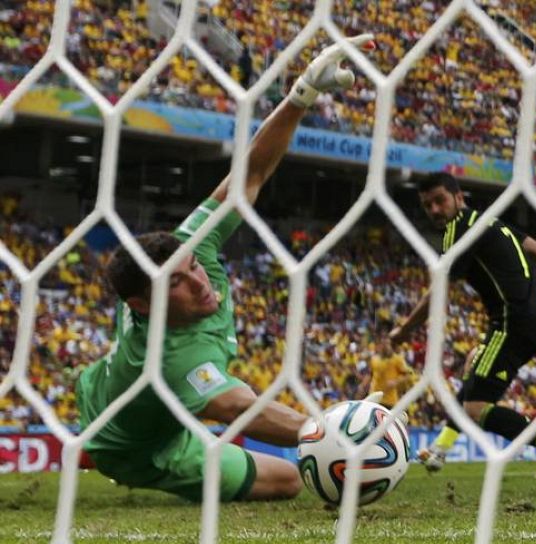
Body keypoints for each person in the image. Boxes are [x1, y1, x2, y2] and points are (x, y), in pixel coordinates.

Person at [76, 35, 377, 502]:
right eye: (177, 283)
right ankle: (102, 455)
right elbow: (240, 408)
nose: (200, 282)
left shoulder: (188, 246)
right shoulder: (172, 359)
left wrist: (301, 94)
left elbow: (250, 175)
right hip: (140, 450)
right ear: (143, 305)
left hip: (106, 392)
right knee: (287, 480)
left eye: (193, 266)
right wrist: (340, 432)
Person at [390, 172, 536, 478]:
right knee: (473, 366)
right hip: (534, 320)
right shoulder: (489, 221)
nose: (435, 210)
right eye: (428, 205)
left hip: (512, 322)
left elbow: (438, 292)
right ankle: (441, 447)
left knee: (476, 407)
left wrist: (404, 331)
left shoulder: (459, 230)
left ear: (458, 197)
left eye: (440, 200)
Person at [360, 338, 414, 409]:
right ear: (379, 346)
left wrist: (395, 381)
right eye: (384, 344)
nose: (387, 347)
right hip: (374, 397)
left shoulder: (397, 359)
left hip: (389, 400)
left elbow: (408, 374)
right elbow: (370, 374)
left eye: (388, 344)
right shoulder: (374, 359)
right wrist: (362, 385)